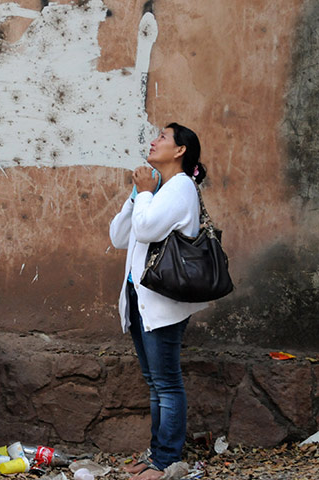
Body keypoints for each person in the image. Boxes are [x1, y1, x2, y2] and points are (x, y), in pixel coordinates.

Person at [109, 123, 209, 480]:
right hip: (139, 297)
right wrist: (139, 193)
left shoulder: (181, 187)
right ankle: (156, 455)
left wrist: (147, 193)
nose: (153, 141)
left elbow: (149, 229)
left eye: (163, 138)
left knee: (166, 383)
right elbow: (120, 235)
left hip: (163, 302)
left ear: (180, 151)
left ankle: (166, 459)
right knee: (154, 382)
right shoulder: (153, 186)